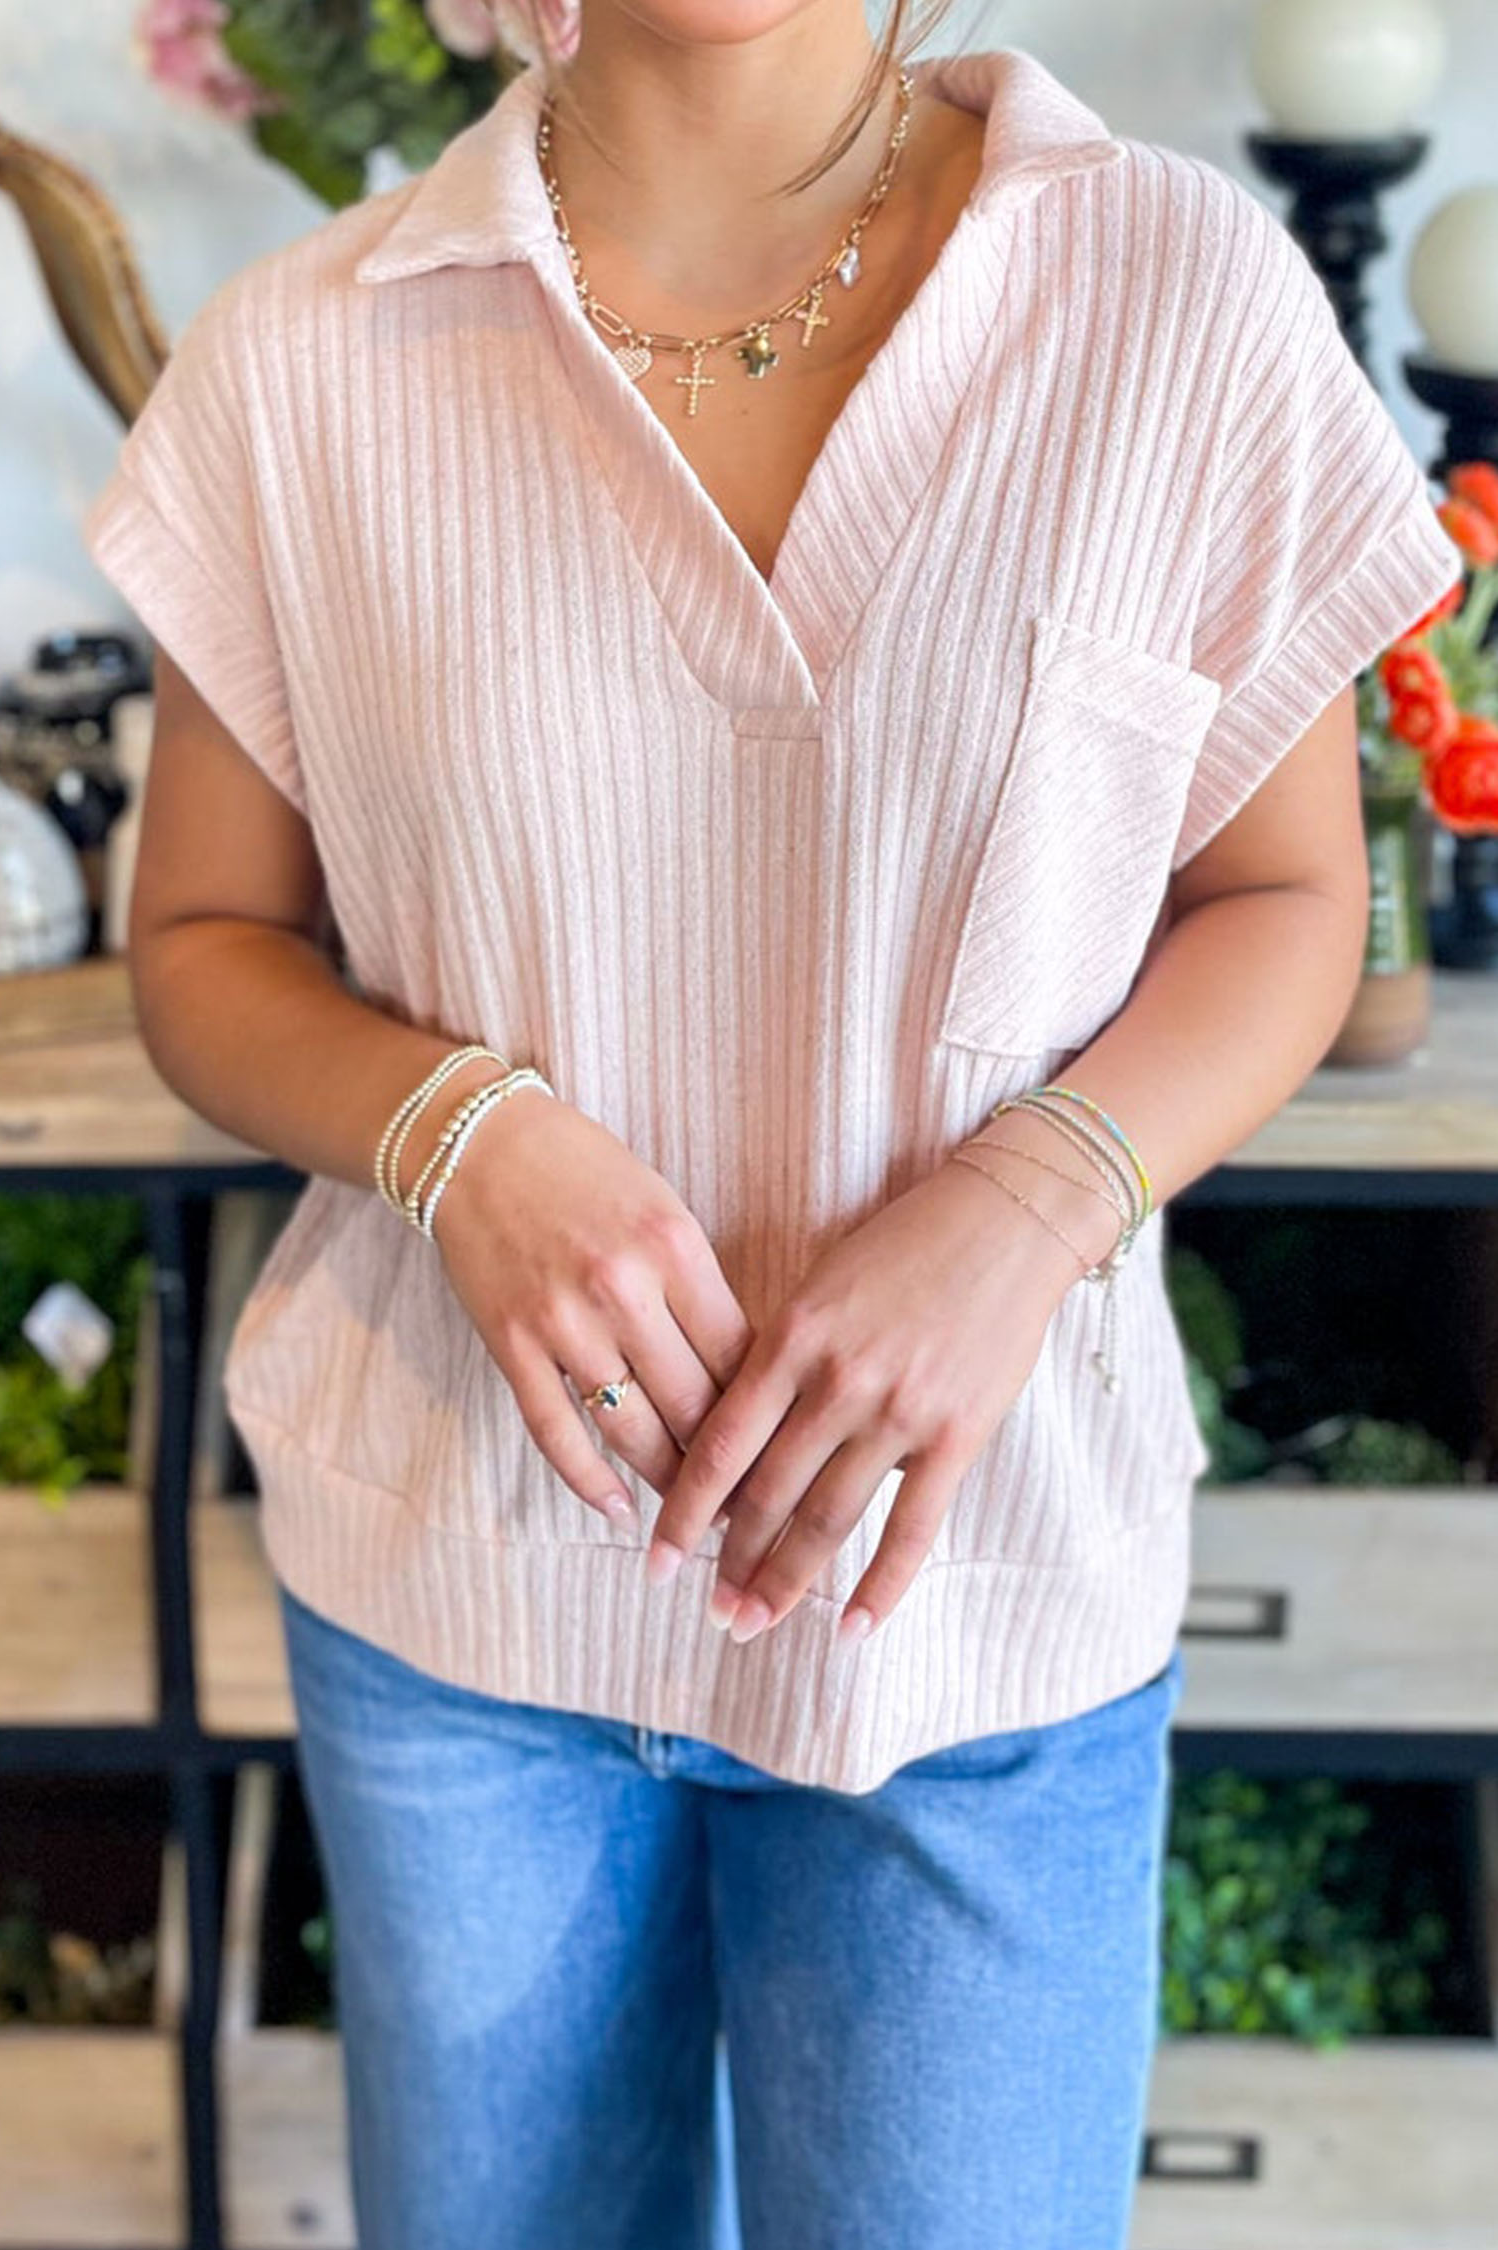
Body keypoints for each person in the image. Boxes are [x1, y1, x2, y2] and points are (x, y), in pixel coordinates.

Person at [82, 2, 1464, 2244]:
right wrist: (457, 1133)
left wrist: (1036, 1196)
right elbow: (207, 947)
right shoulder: (298, 365)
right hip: (467, 1613)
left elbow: (1288, 897)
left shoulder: (1176, 299)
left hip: (979, 1620)